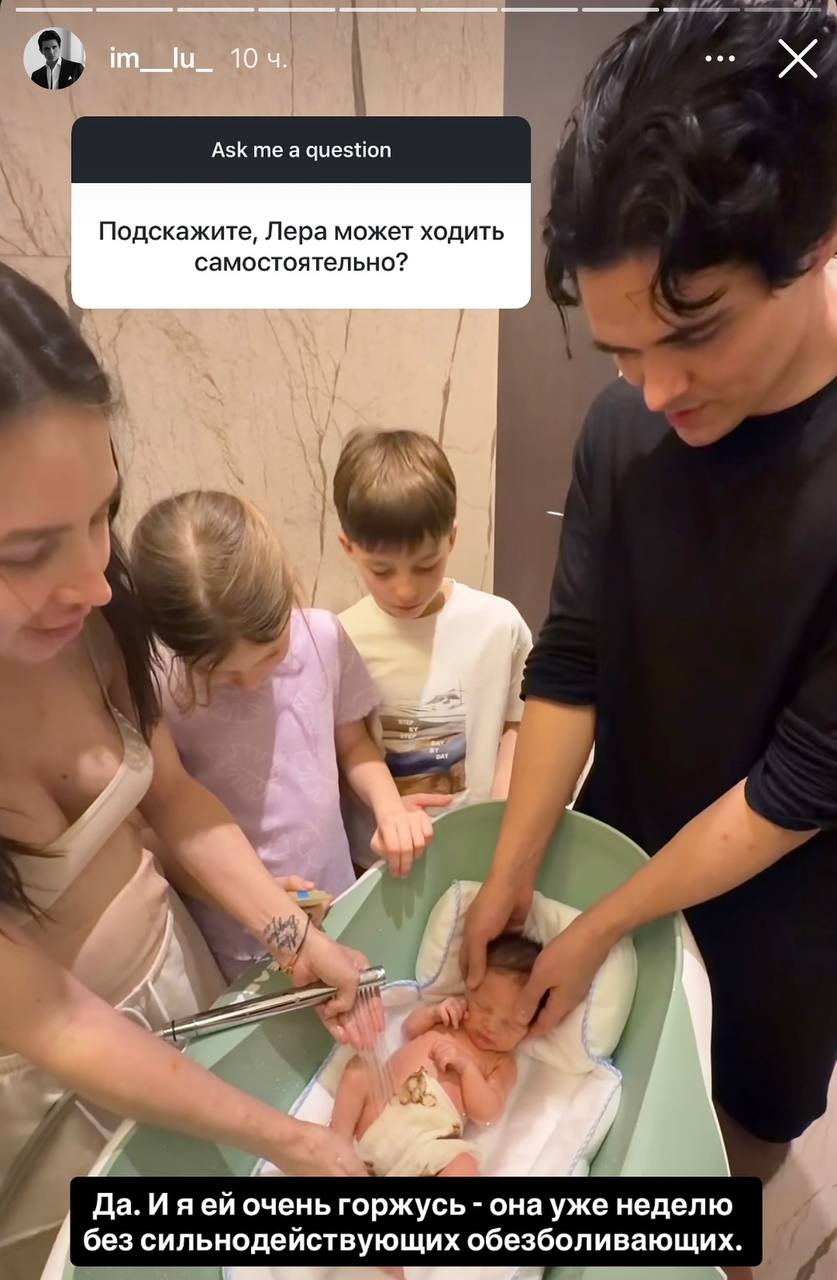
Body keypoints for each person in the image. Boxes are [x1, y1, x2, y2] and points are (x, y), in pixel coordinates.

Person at [461, 12, 837, 1277]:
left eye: (695, 333)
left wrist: (595, 930)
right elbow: (572, 659)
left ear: (817, 238)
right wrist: (517, 867)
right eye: (622, 350)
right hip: (617, 845)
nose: (658, 391)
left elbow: (799, 785)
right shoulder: (625, 433)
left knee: (722, 1160)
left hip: (782, 909)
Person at [0, 265, 371, 1280]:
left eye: (102, 513)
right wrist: (294, 1142)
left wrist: (293, 936)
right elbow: (56, 1020)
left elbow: (169, 796)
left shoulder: (95, 614)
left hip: (181, 991)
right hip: (38, 1100)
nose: (92, 579)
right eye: (28, 550)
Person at [131, 490, 441, 977]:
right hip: (231, 930)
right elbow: (157, 827)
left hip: (340, 902)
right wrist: (258, 904)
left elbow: (354, 745)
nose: (251, 681)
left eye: (271, 655)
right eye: (220, 674)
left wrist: (389, 807)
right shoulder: (156, 686)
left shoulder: (322, 638)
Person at [334, 428, 532, 870]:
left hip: (480, 849)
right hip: (384, 861)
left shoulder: (498, 625)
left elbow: (518, 722)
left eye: (426, 565)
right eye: (382, 571)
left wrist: (501, 814)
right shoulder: (342, 639)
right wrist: (387, 809)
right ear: (349, 548)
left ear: (452, 538)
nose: (405, 590)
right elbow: (349, 745)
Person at [331, 933, 536, 1178]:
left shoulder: (501, 1062)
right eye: (484, 1008)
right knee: (360, 1068)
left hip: (426, 1147)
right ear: (471, 991)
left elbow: (487, 1113)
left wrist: (467, 1069)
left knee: (464, 1166)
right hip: (373, 1116)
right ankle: (337, 1146)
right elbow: (409, 1030)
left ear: (530, 1028)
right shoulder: (453, 1016)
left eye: (508, 1025)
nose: (490, 1026)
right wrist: (434, 1013)